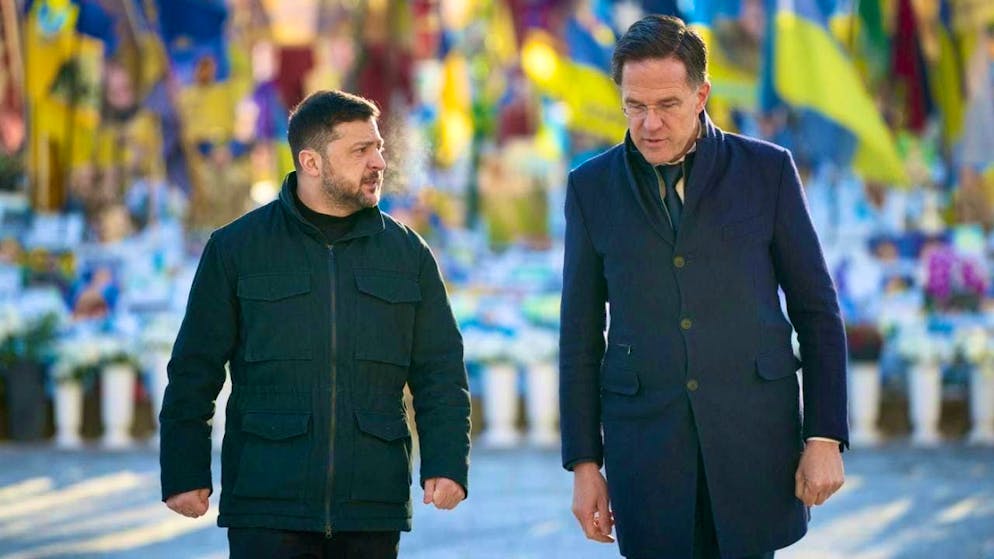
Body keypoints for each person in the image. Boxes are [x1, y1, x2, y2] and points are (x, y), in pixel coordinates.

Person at [559, 15, 848, 559]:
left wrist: (825, 437)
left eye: (666, 105)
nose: (649, 123)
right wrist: (584, 464)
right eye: (634, 106)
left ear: (701, 94)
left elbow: (816, 311)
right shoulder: (589, 188)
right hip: (644, 450)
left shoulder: (768, 172)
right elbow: (578, 335)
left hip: (754, 443)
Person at [159, 90, 471, 559]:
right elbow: (193, 370)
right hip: (266, 504)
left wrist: (447, 463)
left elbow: (440, 372)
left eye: (379, 147)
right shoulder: (237, 249)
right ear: (311, 162)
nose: (379, 162)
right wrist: (184, 472)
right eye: (360, 151)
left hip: (370, 506)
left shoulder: (409, 256)